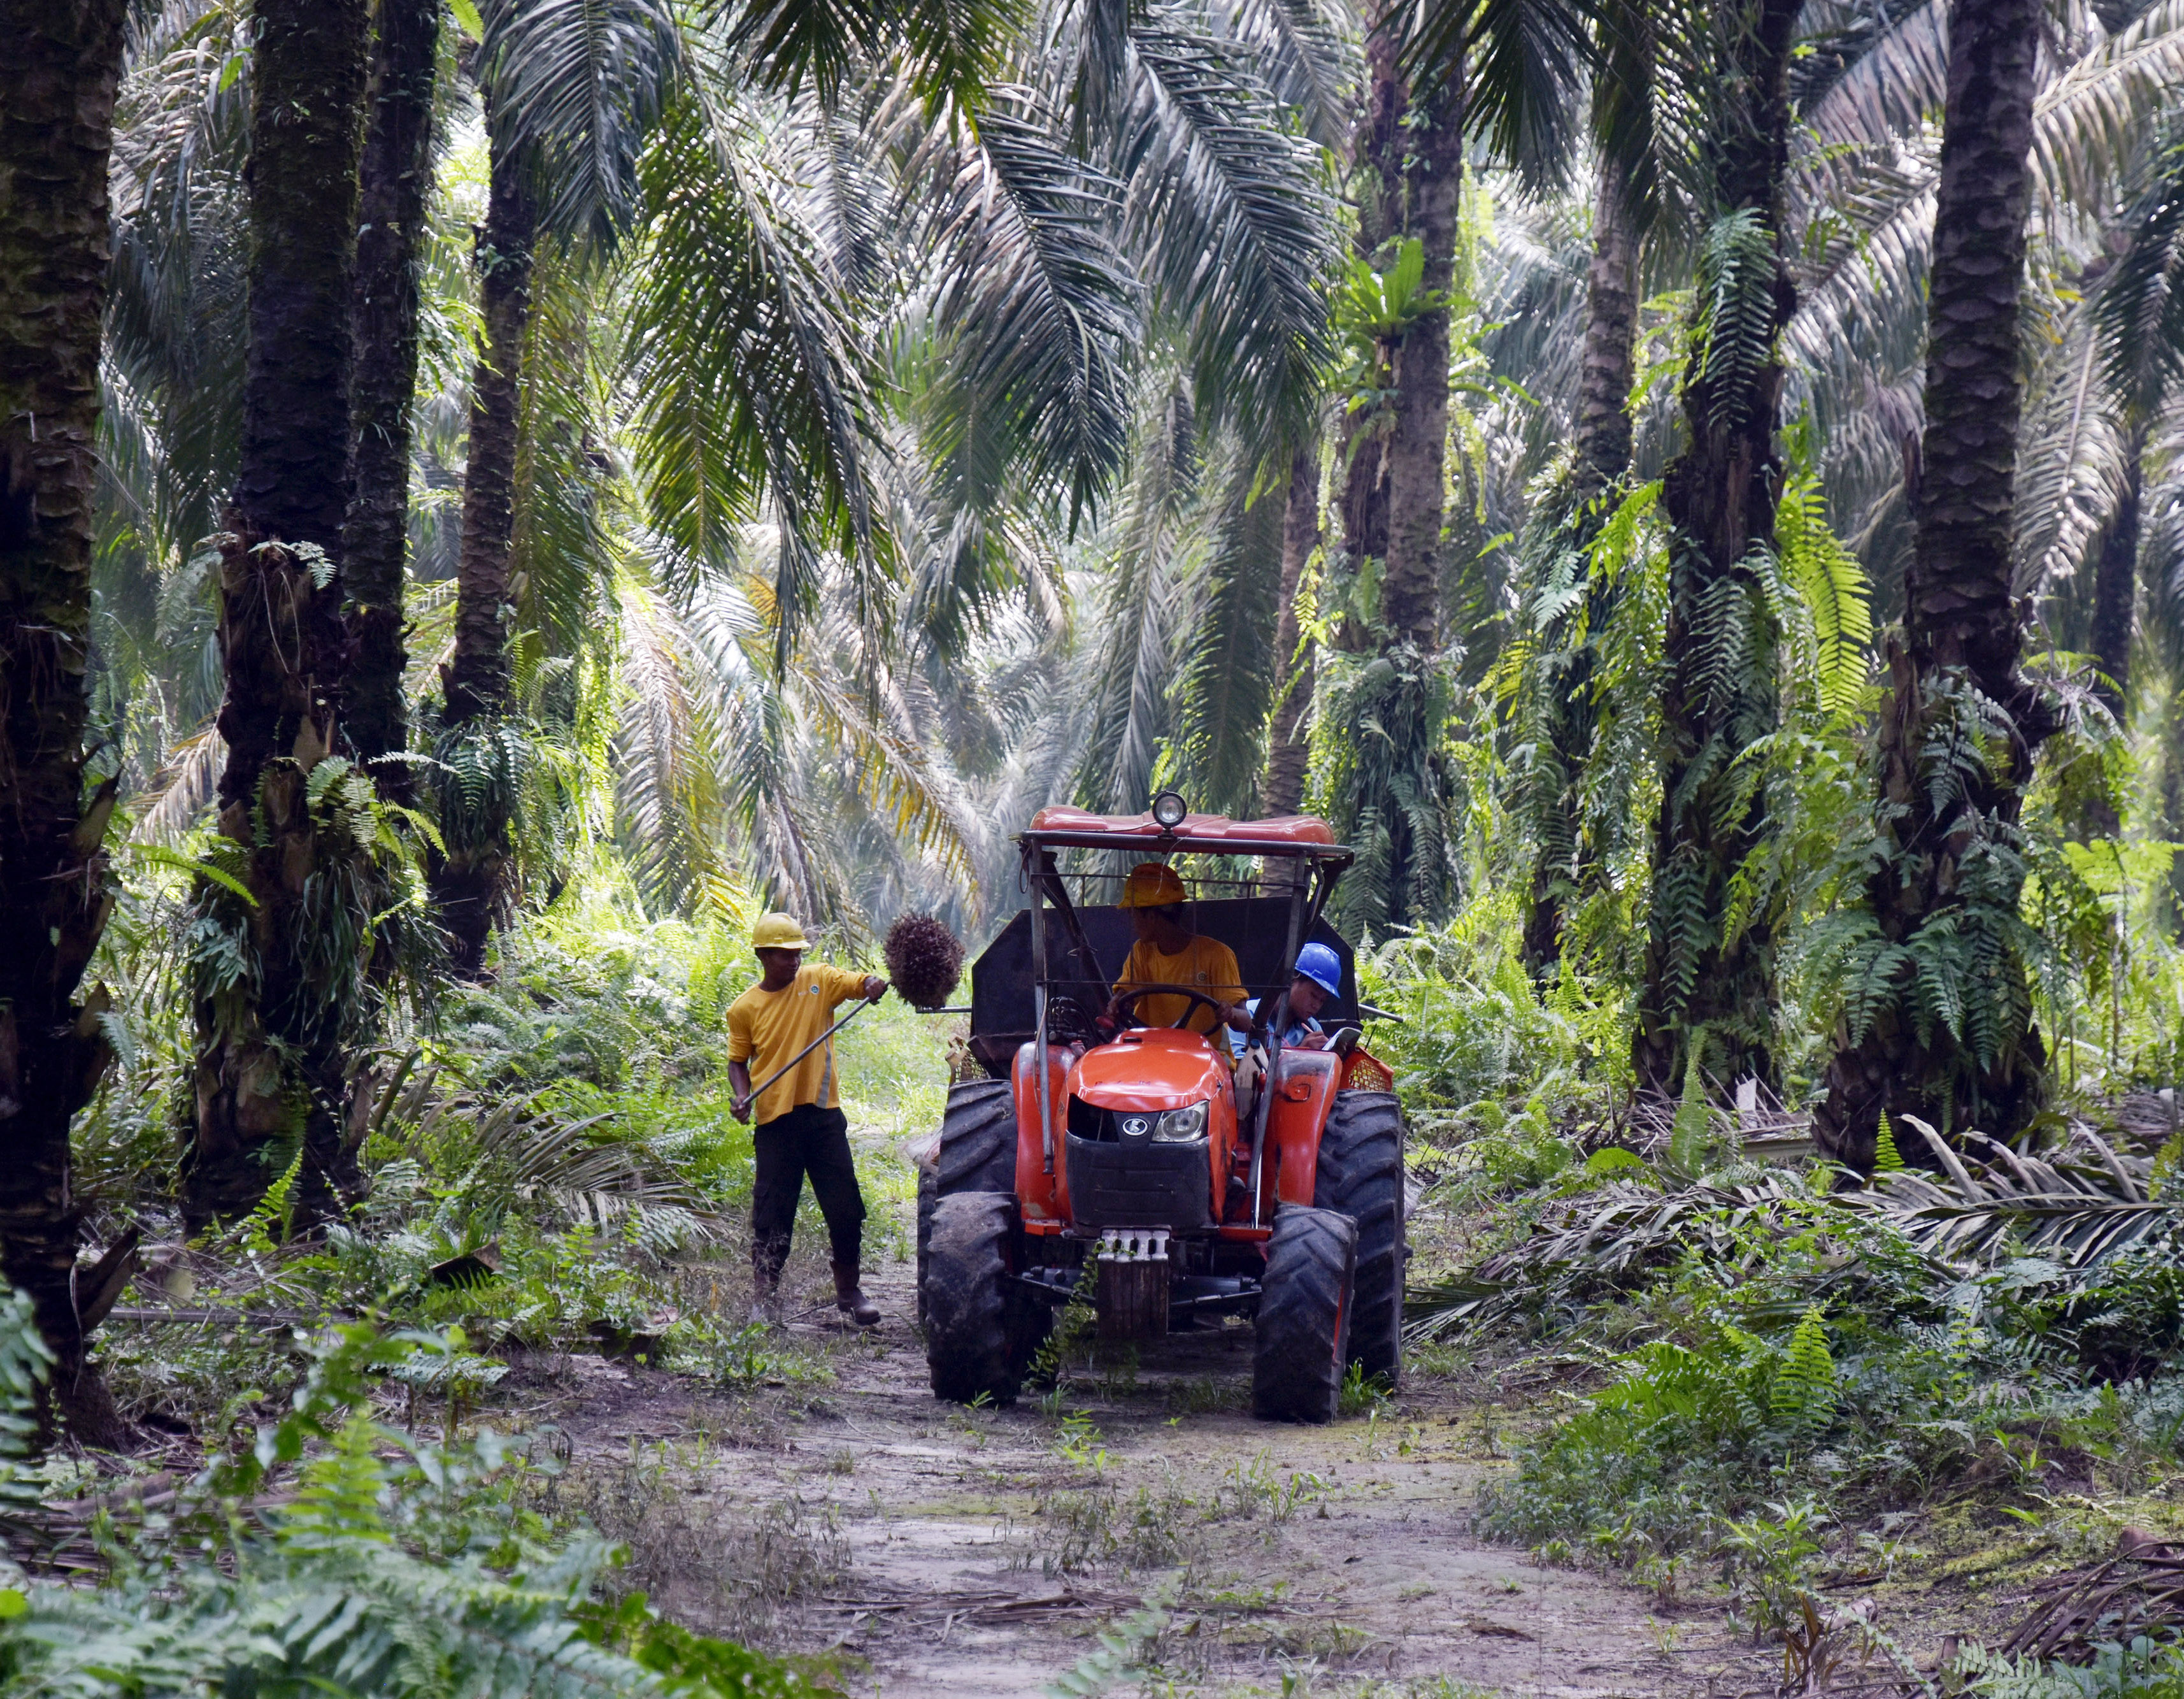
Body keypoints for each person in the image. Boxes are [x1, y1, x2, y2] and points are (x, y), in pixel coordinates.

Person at [727, 912, 886, 1327]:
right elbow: (737, 1062)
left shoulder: (818, 981)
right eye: (784, 955)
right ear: (763, 955)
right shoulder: (744, 1008)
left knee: (846, 1208)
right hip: (776, 1124)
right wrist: (742, 1097)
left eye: (797, 953)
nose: (793, 961)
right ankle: (766, 1299)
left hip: (823, 1119)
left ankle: (850, 1292)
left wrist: (870, 984)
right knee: (771, 1214)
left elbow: (856, 982)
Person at [1108, 862, 1247, 1036]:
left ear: (1151, 916)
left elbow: (1245, 1022)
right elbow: (1128, 993)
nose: (1132, 924)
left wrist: (1231, 1013)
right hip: (1151, 1051)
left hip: (1203, 1056)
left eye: (1132, 915)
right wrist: (1117, 1002)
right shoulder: (1142, 952)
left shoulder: (1217, 955)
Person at [1229, 942, 1343, 1057]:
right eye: (1313, 995)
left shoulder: (1313, 1029)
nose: (1316, 1006)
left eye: (1322, 1001)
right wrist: (1299, 1054)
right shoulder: (1248, 1016)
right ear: (1292, 979)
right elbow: (1239, 1069)